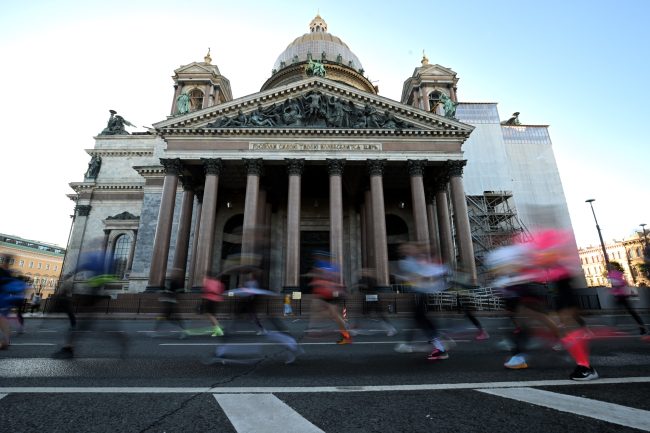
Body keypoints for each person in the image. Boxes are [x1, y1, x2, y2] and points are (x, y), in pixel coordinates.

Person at [607, 262, 648, 335]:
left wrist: (616, 286)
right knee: (627, 312)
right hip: (621, 295)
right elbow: (623, 282)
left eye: (609, 267)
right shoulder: (617, 274)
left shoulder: (612, 274)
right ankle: (641, 327)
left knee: (620, 311)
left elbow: (619, 283)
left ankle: (614, 327)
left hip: (620, 296)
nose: (608, 268)